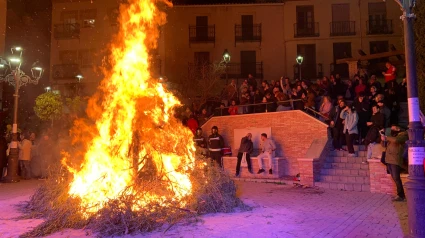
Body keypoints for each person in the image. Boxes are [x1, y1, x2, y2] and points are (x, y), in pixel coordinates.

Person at [381, 125, 408, 201]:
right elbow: (383, 145)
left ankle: (401, 195)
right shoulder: (391, 136)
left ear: (398, 128)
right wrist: (383, 139)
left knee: (397, 178)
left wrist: (387, 137)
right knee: (394, 178)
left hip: (395, 160)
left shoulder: (404, 135)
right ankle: (399, 195)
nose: (392, 129)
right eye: (391, 128)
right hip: (389, 160)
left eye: (394, 128)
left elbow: (396, 140)